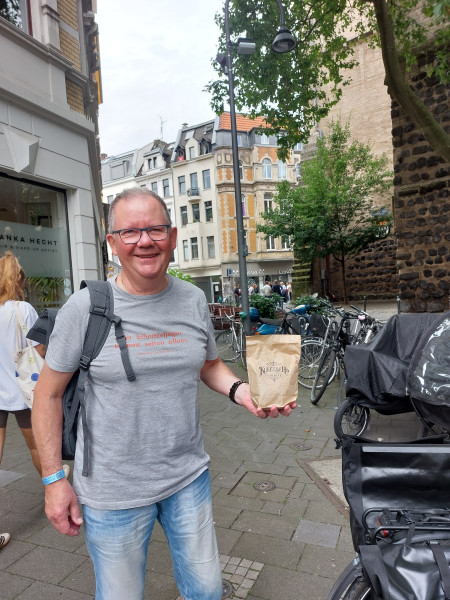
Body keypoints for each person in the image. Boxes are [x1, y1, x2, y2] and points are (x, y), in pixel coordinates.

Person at [32, 188, 296, 600]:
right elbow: (46, 396)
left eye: (155, 229)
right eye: (131, 232)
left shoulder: (192, 300)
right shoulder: (84, 309)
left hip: (187, 476)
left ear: (172, 237)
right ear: (113, 243)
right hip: (111, 489)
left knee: (207, 591)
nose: (145, 241)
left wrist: (242, 390)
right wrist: (53, 481)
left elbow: (208, 364)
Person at [0, 252, 46, 476]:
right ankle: (51, 488)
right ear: (16, 280)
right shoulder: (23, 309)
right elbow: (40, 349)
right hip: (23, 390)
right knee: (36, 446)